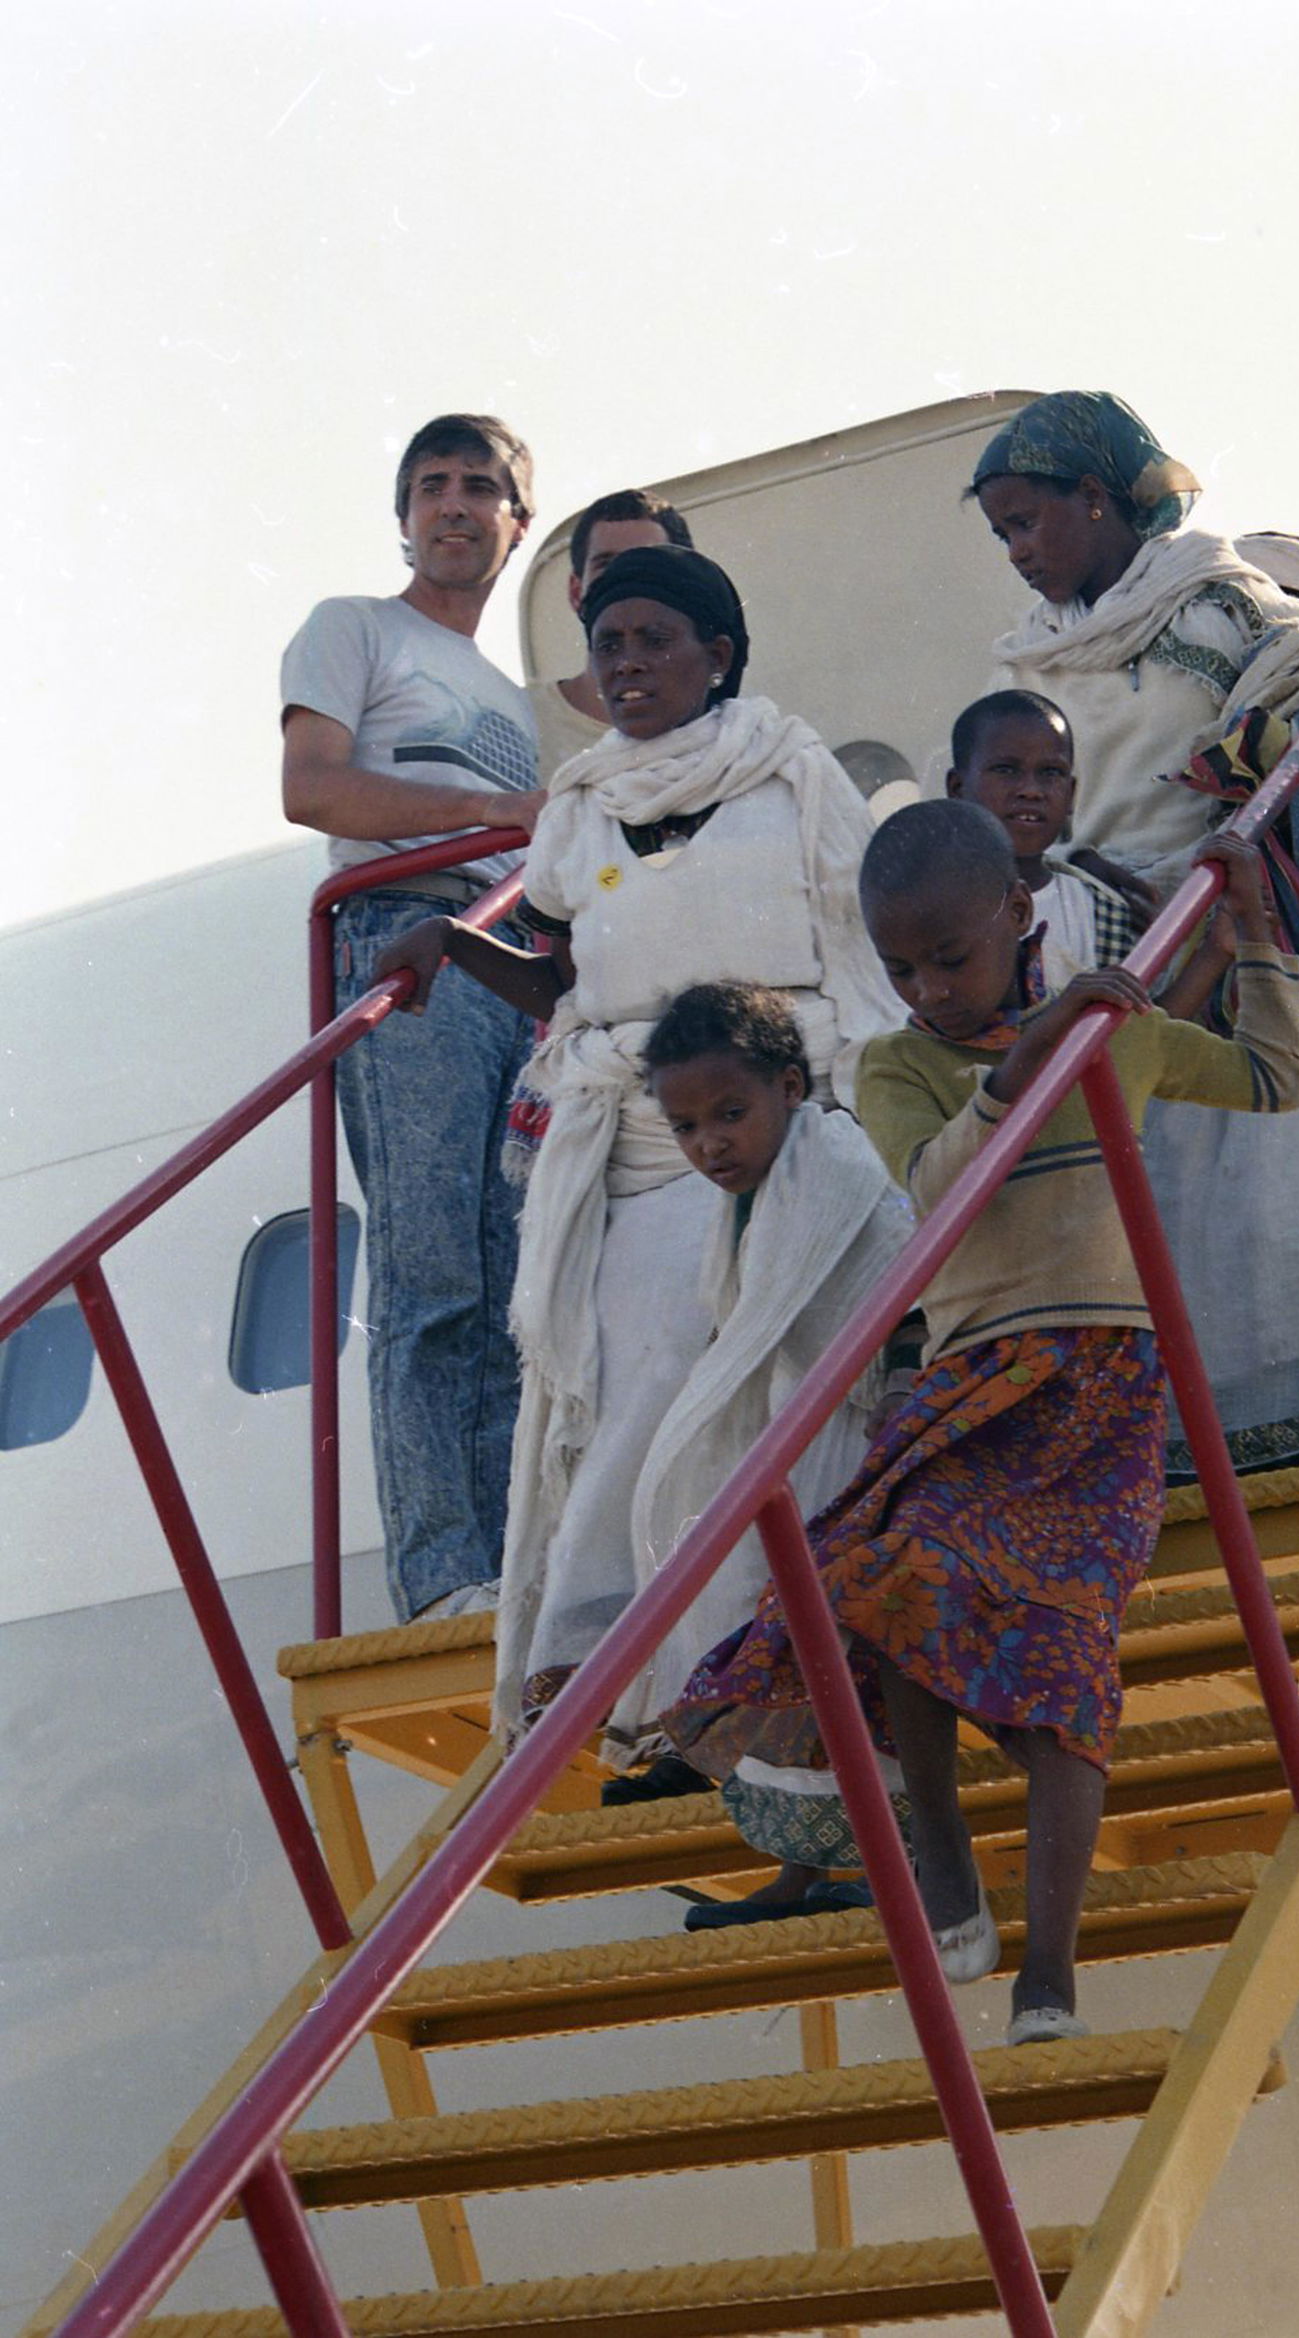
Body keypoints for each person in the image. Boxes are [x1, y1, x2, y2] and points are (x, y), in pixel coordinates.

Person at [668, 799, 1299, 2043]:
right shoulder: (897, 1066)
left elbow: (1273, 1080)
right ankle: (943, 1844)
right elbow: (936, 1183)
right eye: (900, 966)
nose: (926, 988)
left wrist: (1250, 933)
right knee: (893, 1572)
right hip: (975, 1381)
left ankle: (1046, 1977)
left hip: (1101, 1385)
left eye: (948, 958)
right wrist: (1027, 1058)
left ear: (1018, 914)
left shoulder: (1118, 1031)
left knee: (1062, 1673)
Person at [370, 544, 901, 1745]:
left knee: (777, 1391)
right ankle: (600, 1649)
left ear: (717, 655)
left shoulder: (792, 773)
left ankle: (744, 1663)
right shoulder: (579, 806)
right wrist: (453, 944)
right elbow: (560, 981)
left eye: (653, 640)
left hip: (792, 1119)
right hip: (646, 1136)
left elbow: (859, 951)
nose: (625, 664)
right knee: (633, 1383)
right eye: (606, 645)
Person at [969, 389, 1299, 1474]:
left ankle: (1274, 1450)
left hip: (1223, 935)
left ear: (1096, 498)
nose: (1016, 552)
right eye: (1000, 534)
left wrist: (1246, 772)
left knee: (1247, 1217)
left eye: (1028, 522)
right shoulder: (1021, 661)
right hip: (1088, 954)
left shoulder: (1216, 604)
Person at [281, 413, 544, 1623]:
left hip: (508, 963)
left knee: (508, 1280)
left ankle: (505, 1568)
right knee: (432, 1264)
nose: (453, 503)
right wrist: (492, 811)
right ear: (403, 516)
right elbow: (313, 787)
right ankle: (439, 1575)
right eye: (431, 484)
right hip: (406, 938)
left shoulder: (520, 699)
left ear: (515, 524)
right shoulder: (354, 628)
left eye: (479, 486)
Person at [593, 980, 915, 1920]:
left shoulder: (836, 1169)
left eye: (730, 1115)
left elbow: (903, 1282)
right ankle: (802, 1870)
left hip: (855, 1445)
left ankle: (877, 1866)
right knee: (781, 1661)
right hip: (795, 1449)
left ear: (790, 1087)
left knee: (837, 1670)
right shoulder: (749, 1204)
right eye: (687, 1128)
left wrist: (897, 1390)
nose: (710, 1145)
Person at [946, 688, 1241, 1020]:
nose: (1031, 790)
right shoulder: (928, 898)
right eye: (1006, 770)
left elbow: (1139, 1035)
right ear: (957, 788)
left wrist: (1216, 950)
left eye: (1051, 773)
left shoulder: (1100, 911)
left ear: (1071, 795)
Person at [526, 489, 693, 781]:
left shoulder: (727, 735)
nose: (625, 579)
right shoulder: (520, 719)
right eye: (606, 564)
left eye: (648, 563)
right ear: (576, 593)